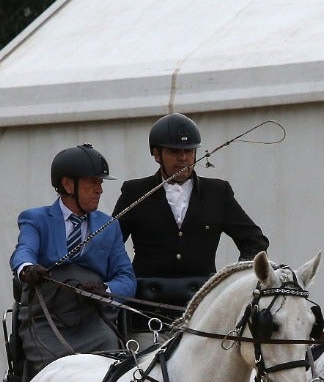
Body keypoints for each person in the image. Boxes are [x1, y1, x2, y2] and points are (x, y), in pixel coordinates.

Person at [115, 112, 269, 315]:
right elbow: (110, 244)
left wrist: (233, 280)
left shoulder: (217, 192)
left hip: (202, 306)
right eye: (174, 152)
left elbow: (255, 240)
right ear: (156, 154)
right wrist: (123, 280)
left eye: (189, 151)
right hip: (146, 306)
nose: (184, 159)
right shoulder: (135, 191)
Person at [10, 143, 136, 382]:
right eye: (93, 182)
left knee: (111, 358)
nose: (99, 190)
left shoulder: (109, 226)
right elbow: (24, 251)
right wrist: (27, 269)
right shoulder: (35, 219)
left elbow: (126, 278)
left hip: (92, 318)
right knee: (60, 373)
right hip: (47, 319)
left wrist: (105, 291)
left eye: (100, 183)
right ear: (68, 185)